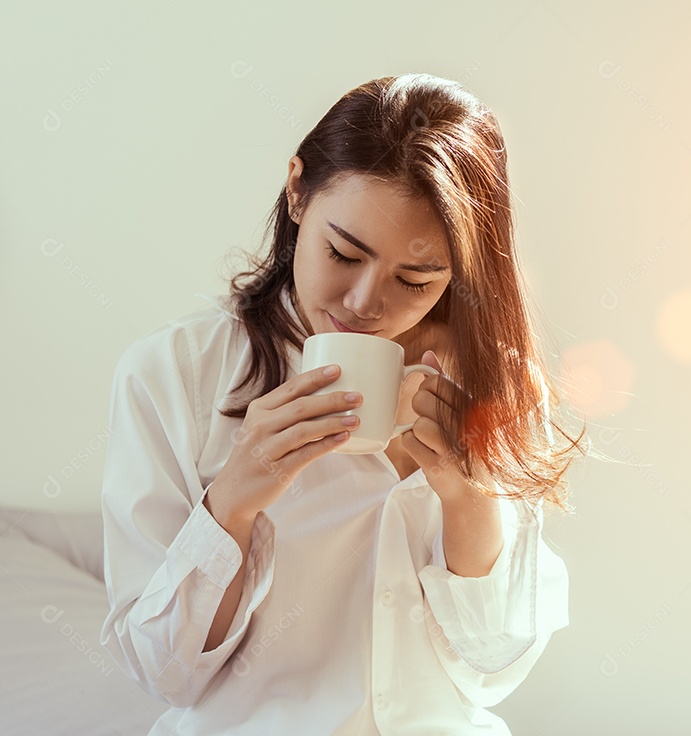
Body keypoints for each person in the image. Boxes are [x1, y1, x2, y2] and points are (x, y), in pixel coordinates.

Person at [99, 73, 586, 735]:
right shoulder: (172, 374)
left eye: (415, 279)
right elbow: (166, 675)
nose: (364, 302)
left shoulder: (494, 383)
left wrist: (467, 498)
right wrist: (233, 504)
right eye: (343, 252)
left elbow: (494, 668)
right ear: (298, 190)